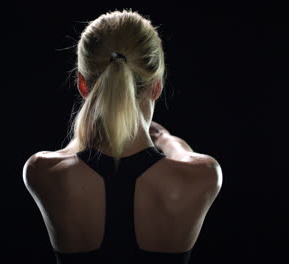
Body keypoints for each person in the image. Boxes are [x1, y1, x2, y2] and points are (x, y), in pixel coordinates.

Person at [23, 9, 223, 264]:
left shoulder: (42, 171)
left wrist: (88, 132)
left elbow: (72, 151)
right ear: (157, 86)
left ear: (83, 85)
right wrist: (165, 139)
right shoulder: (204, 176)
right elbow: (185, 155)